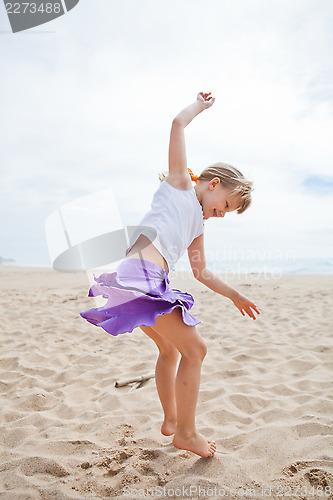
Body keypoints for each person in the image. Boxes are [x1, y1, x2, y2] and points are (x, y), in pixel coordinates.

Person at [80, 92, 260, 458]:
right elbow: (177, 124)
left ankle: (172, 421)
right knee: (197, 350)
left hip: (143, 282)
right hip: (140, 277)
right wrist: (200, 106)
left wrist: (235, 295)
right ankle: (188, 433)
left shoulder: (197, 226)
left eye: (228, 213)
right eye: (225, 205)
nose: (221, 214)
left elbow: (202, 272)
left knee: (169, 349)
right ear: (213, 184)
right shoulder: (179, 184)